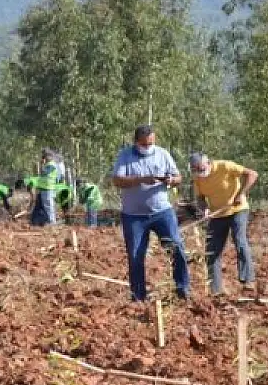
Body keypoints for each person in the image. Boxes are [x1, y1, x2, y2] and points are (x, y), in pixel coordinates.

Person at [111, 125, 188, 301]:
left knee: (176, 247)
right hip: (133, 216)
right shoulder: (125, 156)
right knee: (136, 255)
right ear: (136, 142)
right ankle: (138, 297)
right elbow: (117, 180)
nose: (149, 147)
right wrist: (142, 179)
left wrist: (171, 180)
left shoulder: (163, 154)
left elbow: (179, 177)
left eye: (151, 143)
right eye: (145, 144)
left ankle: (182, 289)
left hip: (162, 212)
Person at [190, 153, 259, 295]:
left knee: (239, 240)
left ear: (209, 163)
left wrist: (240, 194)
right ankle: (215, 289)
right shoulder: (197, 178)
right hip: (218, 214)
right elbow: (200, 198)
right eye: (196, 170)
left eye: (201, 169)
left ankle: (248, 280)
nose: (200, 173)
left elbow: (252, 174)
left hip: (237, 210)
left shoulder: (225, 166)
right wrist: (205, 208)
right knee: (211, 250)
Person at [31, 148, 64, 226]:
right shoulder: (49, 164)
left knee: (49, 205)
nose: (44, 158)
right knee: (46, 205)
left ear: (49, 156)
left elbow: (44, 173)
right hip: (44, 188)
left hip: (48, 188)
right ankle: (48, 220)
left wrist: (42, 165)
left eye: (45, 156)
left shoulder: (51, 164)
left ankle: (52, 221)